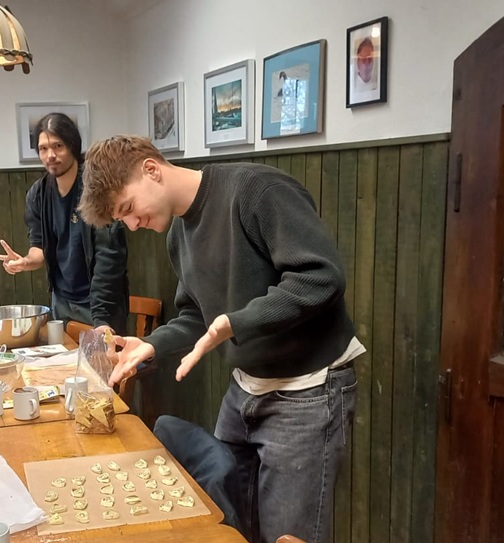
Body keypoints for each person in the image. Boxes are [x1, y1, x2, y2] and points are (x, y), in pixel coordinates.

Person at [78, 135, 364, 543]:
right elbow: (198, 315)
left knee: (287, 536)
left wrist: (239, 321)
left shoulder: (256, 191)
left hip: (308, 390)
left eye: (128, 209)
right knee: (228, 523)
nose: (133, 224)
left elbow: (321, 277)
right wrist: (155, 343)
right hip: (244, 389)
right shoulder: (178, 234)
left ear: (151, 170)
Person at [0, 113, 129, 334]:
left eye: (58, 146)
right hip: (62, 301)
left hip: (98, 303)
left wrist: (101, 317)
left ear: (72, 145)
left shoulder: (97, 189)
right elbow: (39, 248)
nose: (50, 155)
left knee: (103, 357)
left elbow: (109, 258)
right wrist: (25, 262)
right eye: (43, 148)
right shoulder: (39, 193)